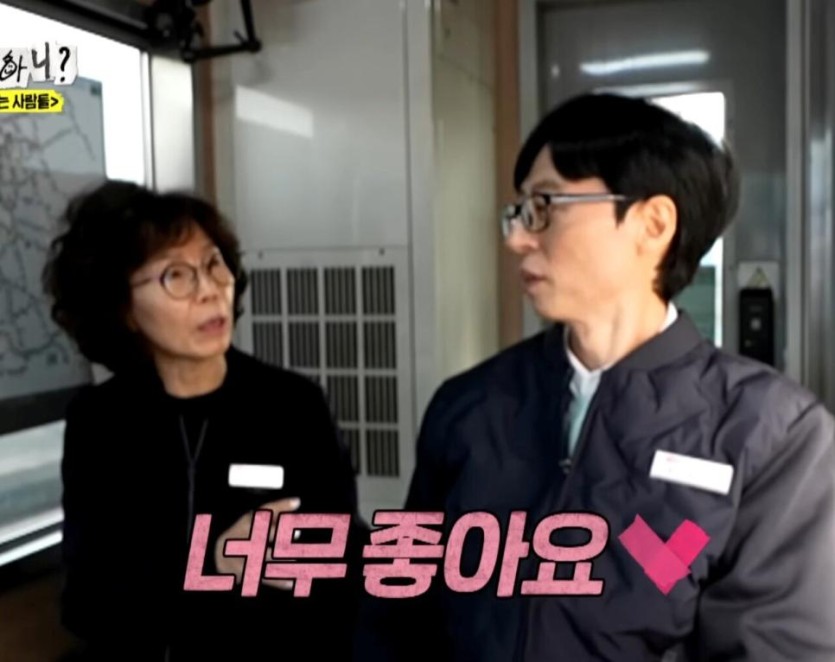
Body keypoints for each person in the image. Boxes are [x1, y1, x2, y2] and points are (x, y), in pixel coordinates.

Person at [354, 93, 835, 661]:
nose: (516, 238)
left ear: (652, 223)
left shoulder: (769, 433)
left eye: (545, 206)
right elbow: (397, 608)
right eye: (520, 211)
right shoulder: (469, 406)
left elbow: (775, 648)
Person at [43, 180, 366, 660]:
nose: (210, 290)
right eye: (177, 275)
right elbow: (87, 602)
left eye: (214, 265)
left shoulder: (292, 404)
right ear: (124, 308)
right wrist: (213, 561)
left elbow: (347, 561)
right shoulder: (100, 422)